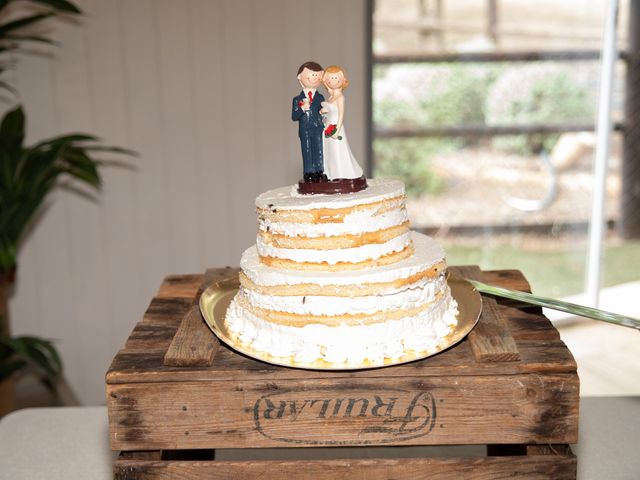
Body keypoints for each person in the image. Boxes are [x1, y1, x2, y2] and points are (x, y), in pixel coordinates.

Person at [320, 65, 364, 180]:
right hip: (327, 126)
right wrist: (323, 112)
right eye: (330, 78)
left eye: (336, 78)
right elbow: (327, 112)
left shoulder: (340, 97)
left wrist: (336, 131)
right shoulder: (330, 98)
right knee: (329, 151)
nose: (333, 80)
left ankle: (341, 173)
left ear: (342, 79)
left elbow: (341, 115)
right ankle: (330, 173)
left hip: (335, 127)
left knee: (337, 150)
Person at [291, 61, 327, 183]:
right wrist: (302, 109)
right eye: (312, 74)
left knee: (319, 149)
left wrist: (323, 113)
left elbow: (321, 112)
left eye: (317, 75)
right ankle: (309, 172)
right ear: (300, 77)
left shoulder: (320, 97)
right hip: (305, 128)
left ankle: (319, 170)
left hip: (317, 127)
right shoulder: (297, 99)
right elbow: (294, 116)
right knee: (307, 150)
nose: (314, 78)